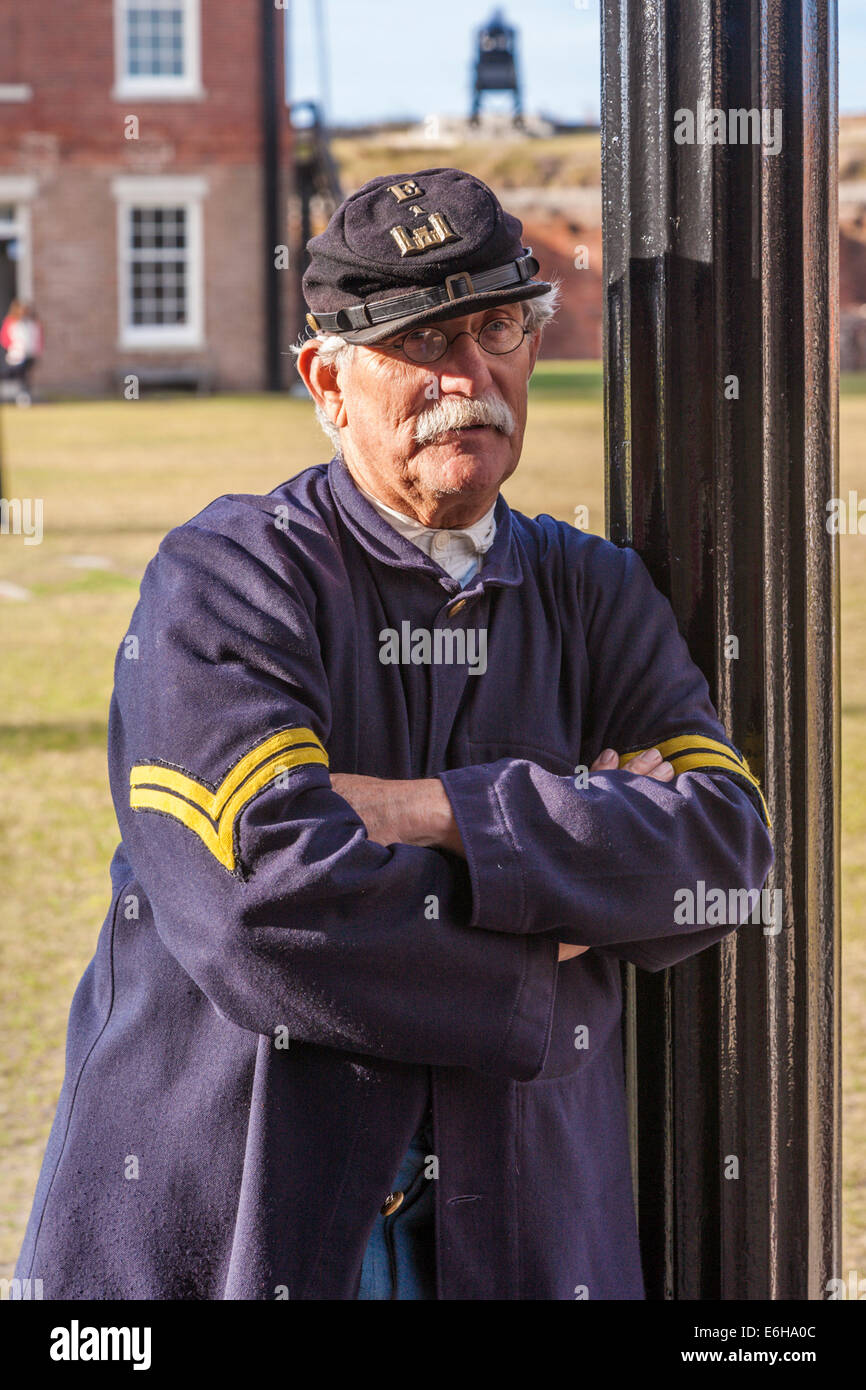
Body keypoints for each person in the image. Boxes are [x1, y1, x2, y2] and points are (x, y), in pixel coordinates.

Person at [15, 167, 773, 1300]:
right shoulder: (228, 577)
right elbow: (263, 908)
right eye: (420, 342)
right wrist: (559, 903)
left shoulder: (597, 589)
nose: (467, 378)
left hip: (514, 1218)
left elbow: (720, 851)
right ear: (327, 381)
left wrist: (429, 809)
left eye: (497, 325)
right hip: (251, 1207)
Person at [0, 300, 43, 404]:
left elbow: (38, 337)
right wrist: (14, 347)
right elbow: (4, 338)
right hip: (17, 355)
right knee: (12, 374)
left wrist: (37, 350)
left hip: (30, 354)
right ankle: (22, 395)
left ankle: (24, 396)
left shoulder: (33, 323)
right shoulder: (12, 322)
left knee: (25, 377)